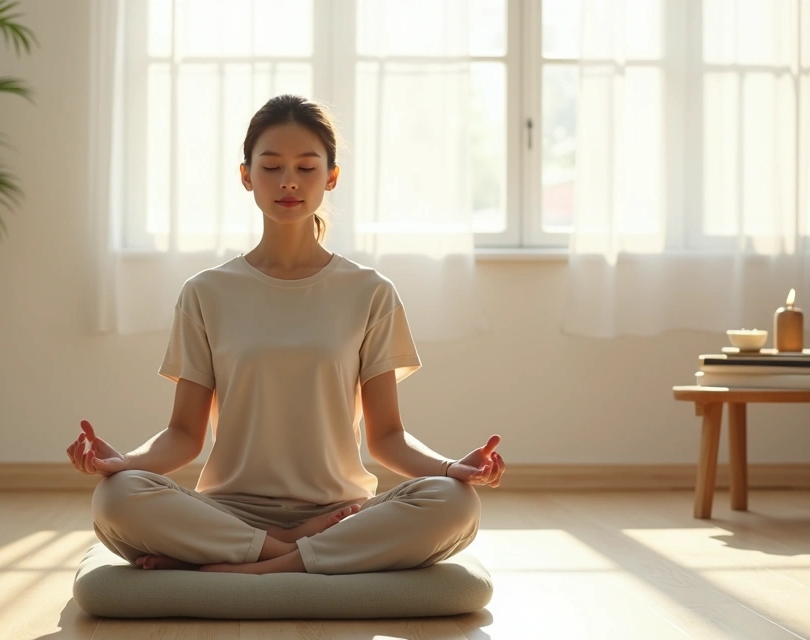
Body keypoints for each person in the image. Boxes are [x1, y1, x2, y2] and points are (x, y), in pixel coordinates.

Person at [66, 94, 506, 575]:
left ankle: (244, 569)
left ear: (331, 178)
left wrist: (449, 469)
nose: (289, 181)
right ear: (246, 176)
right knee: (116, 497)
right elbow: (184, 436)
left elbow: (387, 438)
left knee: (455, 503)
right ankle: (291, 554)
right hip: (230, 511)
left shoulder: (370, 292)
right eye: (271, 167)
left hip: (341, 514)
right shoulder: (206, 292)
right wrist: (124, 463)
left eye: (306, 167)